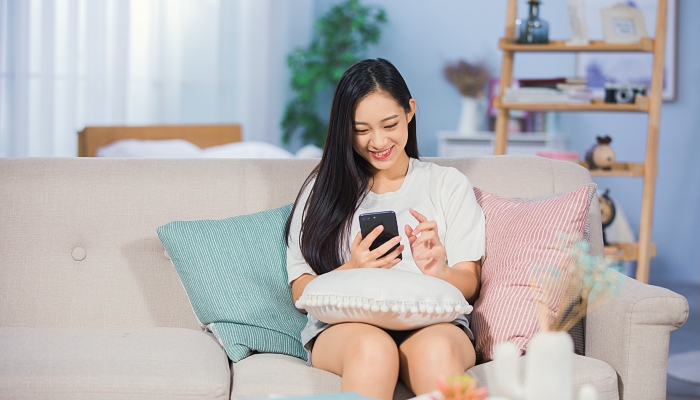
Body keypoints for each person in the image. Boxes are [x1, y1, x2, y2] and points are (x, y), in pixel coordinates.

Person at [285, 58, 485, 400]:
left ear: (410, 111)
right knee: (373, 350)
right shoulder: (323, 188)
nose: (377, 142)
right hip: (345, 327)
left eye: (389, 124)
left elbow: (468, 282)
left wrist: (440, 270)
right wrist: (351, 269)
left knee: (435, 353)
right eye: (361, 130)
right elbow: (300, 290)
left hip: (433, 322)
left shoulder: (447, 184)